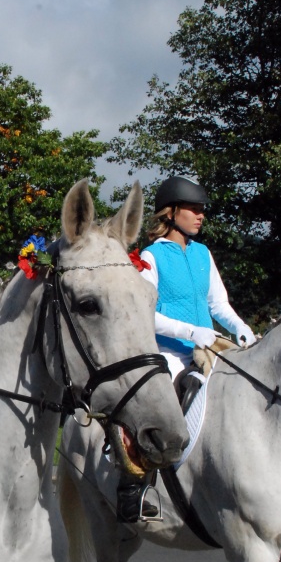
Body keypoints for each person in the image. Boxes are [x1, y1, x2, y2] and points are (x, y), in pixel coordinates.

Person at [117, 175, 257, 523]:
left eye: (201, 210)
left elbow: (218, 304)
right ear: (171, 212)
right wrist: (190, 331)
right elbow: (146, 315)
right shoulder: (151, 257)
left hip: (208, 347)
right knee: (157, 413)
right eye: (193, 209)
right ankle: (135, 488)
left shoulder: (202, 254)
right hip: (170, 354)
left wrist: (241, 329)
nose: (200, 216)